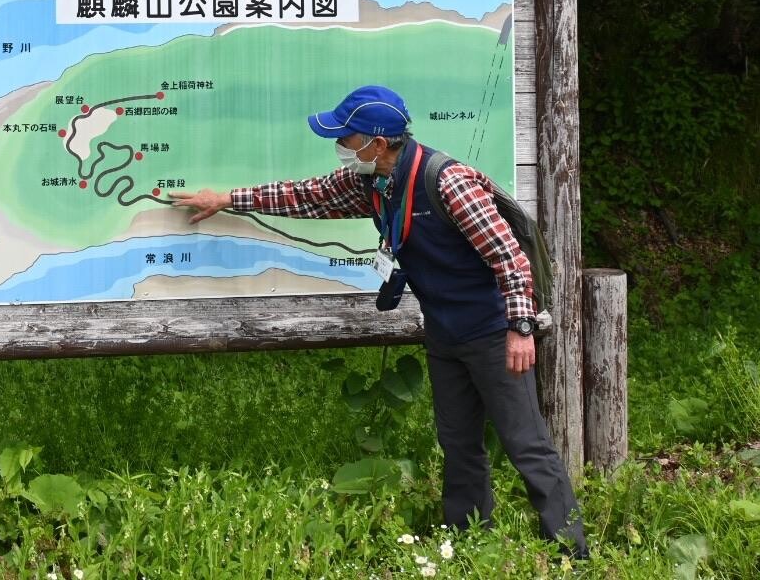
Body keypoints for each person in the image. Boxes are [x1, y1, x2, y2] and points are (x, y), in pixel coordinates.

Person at [171, 84, 587, 556]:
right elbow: (305, 196)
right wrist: (227, 198)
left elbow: (510, 259)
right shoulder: (374, 182)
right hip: (445, 333)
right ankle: (470, 544)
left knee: (526, 445)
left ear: (378, 142)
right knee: (458, 445)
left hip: (493, 333)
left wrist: (520, 328)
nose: (341, 149)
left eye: (347, 139)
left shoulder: (448, 183)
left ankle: (573, 552)